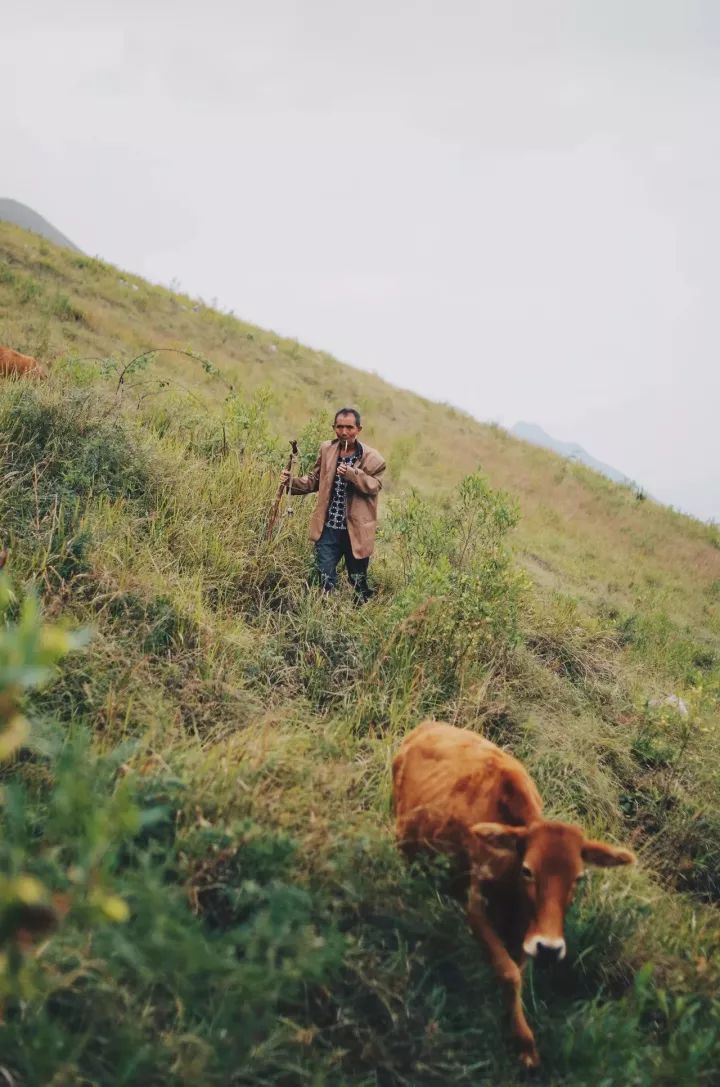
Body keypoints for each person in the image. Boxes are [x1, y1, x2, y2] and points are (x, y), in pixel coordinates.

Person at [280, 408, 385, 601]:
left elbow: (374, 486)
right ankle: (325, 613)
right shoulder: (327, 449)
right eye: (340, 427)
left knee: (358, 581)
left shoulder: (373, 458)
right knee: (324, 576)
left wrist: (353, 475)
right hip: (329, 528)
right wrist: (290, 482)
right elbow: (314, 480)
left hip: (356, 531)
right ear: (334, 428)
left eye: (349, 427)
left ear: (359, 429)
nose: (344, 432)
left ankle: (359, 614)